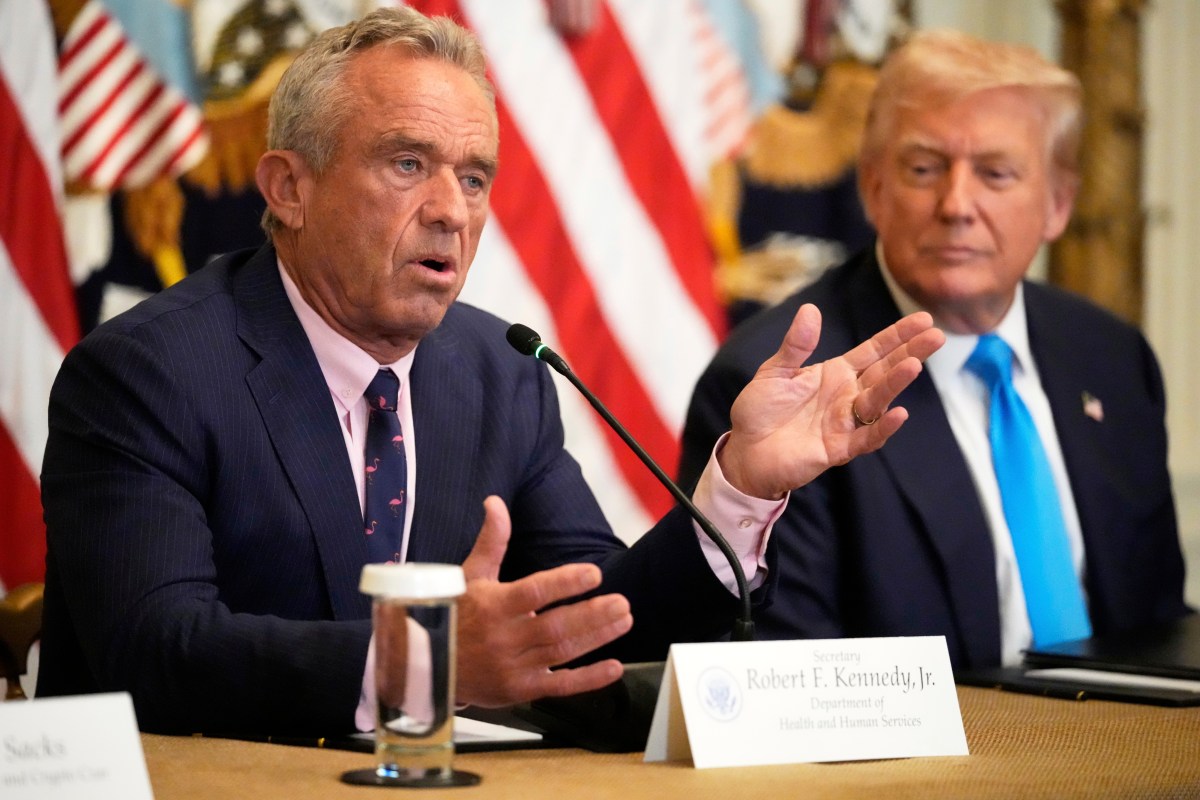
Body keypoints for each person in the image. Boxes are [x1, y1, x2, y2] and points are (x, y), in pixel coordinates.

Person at [38, 7, 942, 735]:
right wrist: (427, 664)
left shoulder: (495, 368)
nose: (450, 212)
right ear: (288, 187)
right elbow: (155, 652)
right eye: (407, 164)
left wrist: (737, 489)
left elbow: (598, 619)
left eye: (474, 178)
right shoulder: (145, 373)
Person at [680, 29, 1190, 672]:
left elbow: (1156, 621)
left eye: (995, 174)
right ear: (873, 190)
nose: (956, 206)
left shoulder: (1112, 359)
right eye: (924, 169)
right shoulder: (785, 388)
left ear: (1059, 203)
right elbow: (780, 670)